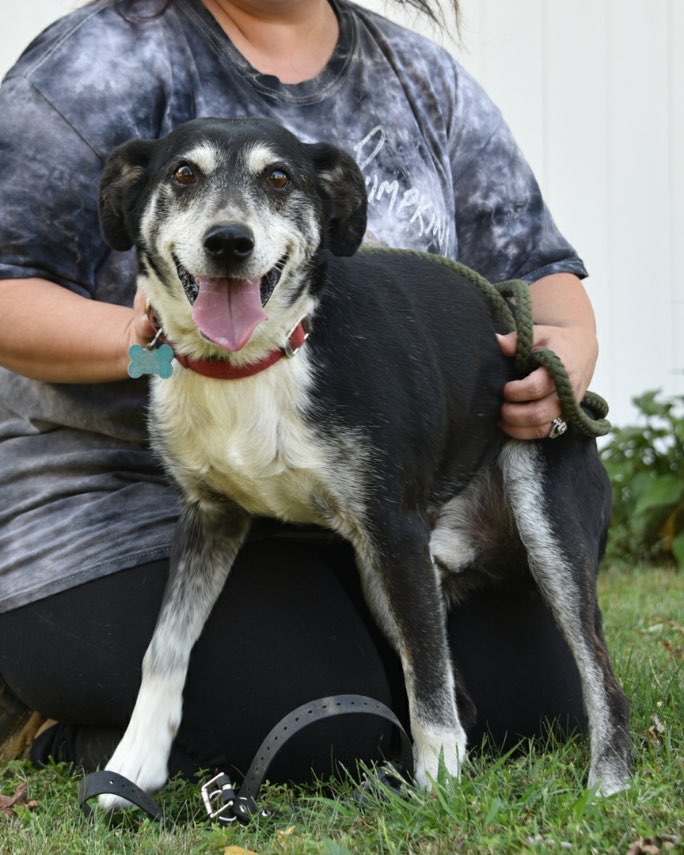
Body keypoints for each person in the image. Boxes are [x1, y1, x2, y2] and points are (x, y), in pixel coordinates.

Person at [0, 0, 597, 787]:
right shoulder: (101, 57)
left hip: (344, 495)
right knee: (321, 730)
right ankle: (74, 732)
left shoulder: (418, 75)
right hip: (116, 504)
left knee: (534, 706)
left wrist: (564, 353)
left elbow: (538, 265)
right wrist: (153, 341)